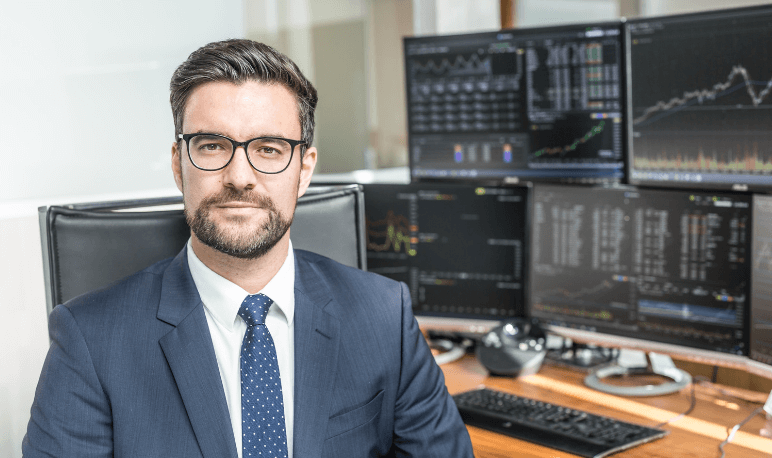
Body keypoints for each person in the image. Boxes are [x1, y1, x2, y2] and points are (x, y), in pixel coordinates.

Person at [23, 39, 473, 457]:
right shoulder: (90, 341)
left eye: (269, 149)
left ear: (304, 169)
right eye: (213, 145)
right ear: (180, 165)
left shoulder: (382, 315)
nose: (240, 176)